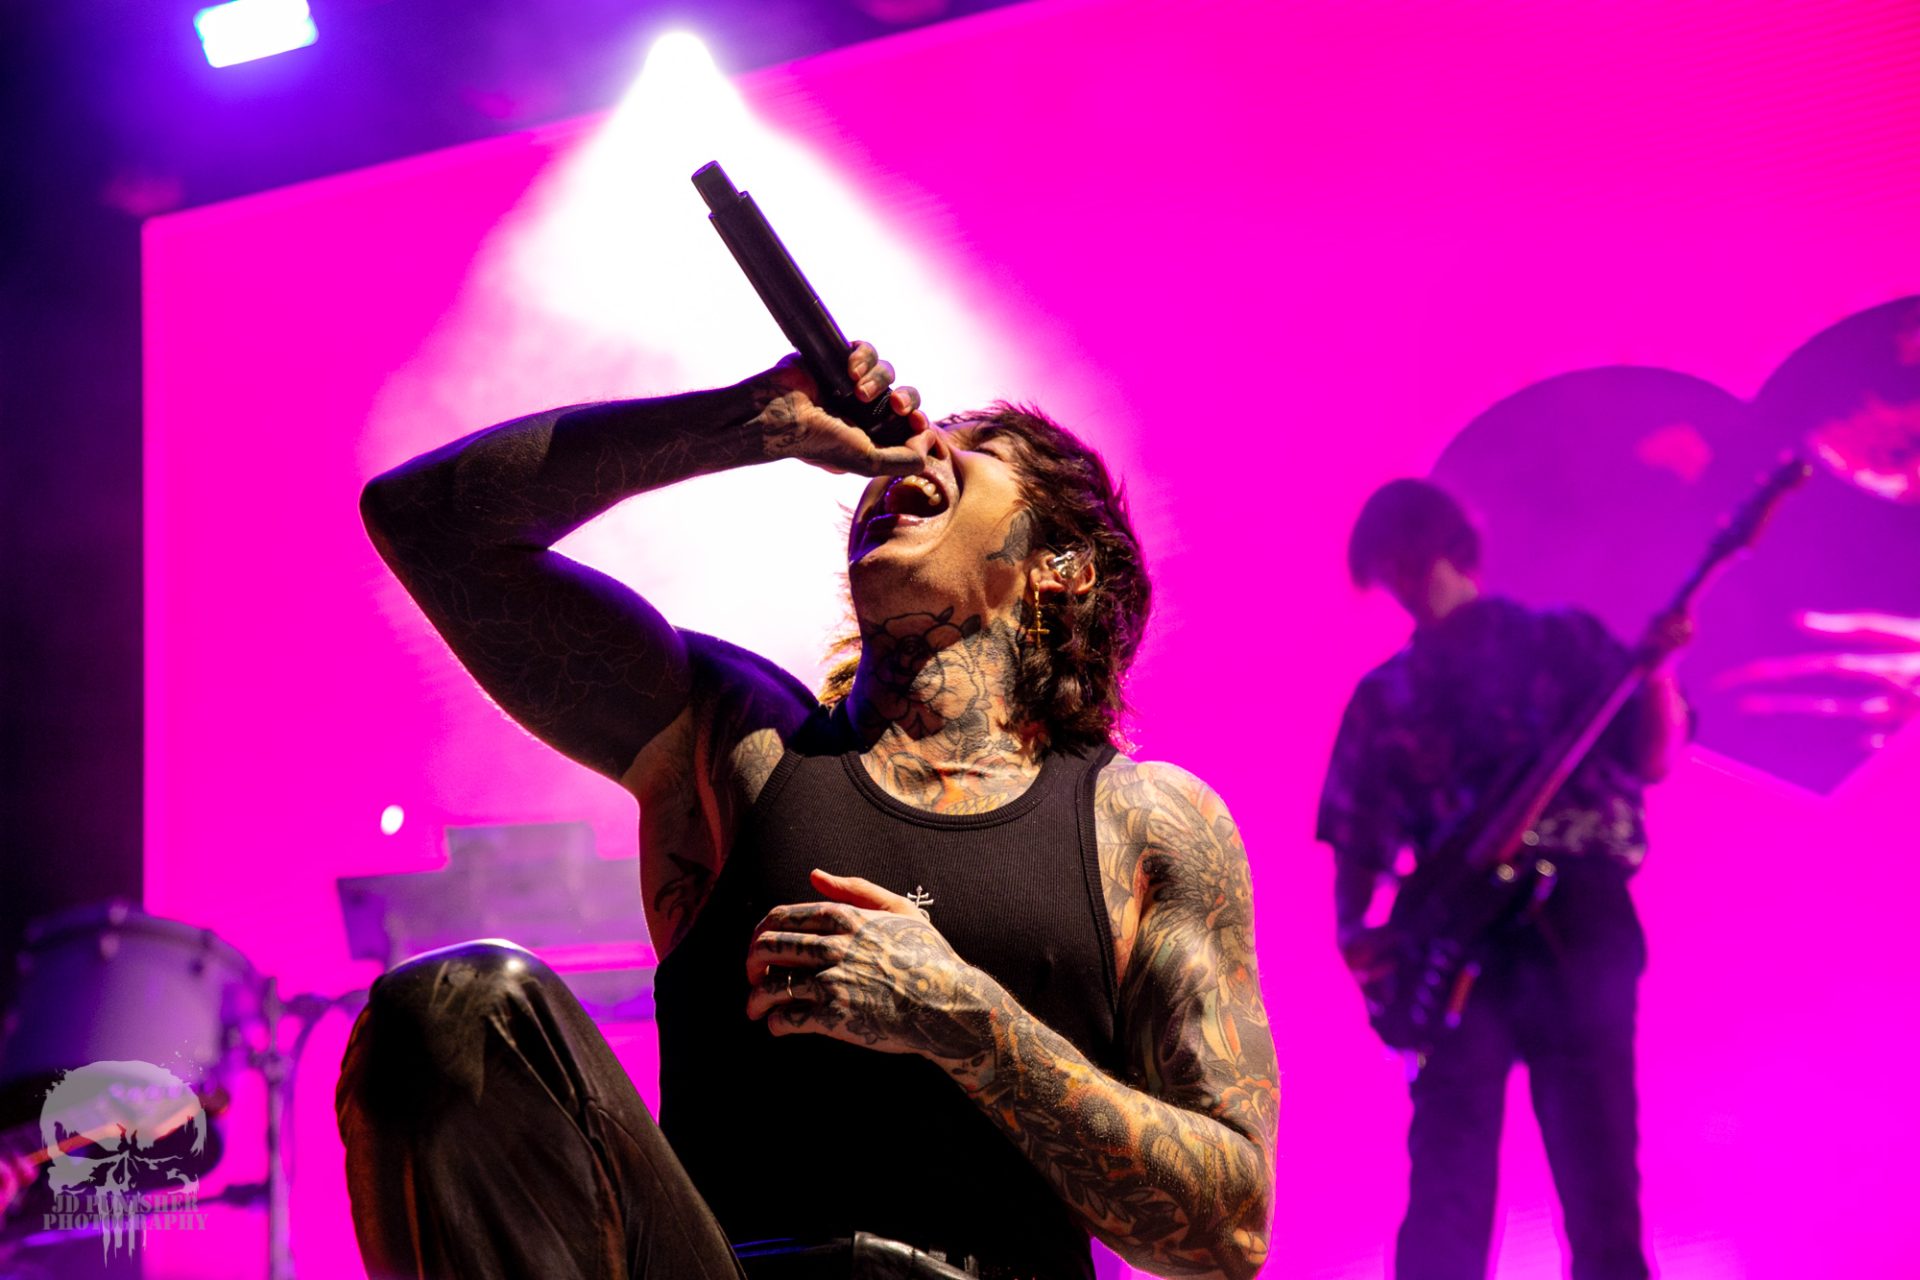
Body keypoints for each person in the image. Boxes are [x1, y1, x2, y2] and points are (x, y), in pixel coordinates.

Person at [343, 343, 1278, 1280]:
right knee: (459, 1008)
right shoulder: (734, 742)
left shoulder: (1145, 820)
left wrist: (965, 1018)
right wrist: (742, 423)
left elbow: (1230, 1231)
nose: (920, 445)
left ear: (1062, 566)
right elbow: (425, 523)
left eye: (977, 447)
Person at [1315, 479, 1690, 1280]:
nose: (1403, 583)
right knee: (1446, 1194)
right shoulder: (1386, 696)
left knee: (1602, 1192)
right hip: (1457, 947)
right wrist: (1356, 935)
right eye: (1388, 571)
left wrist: (1660, 673)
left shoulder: (1562, 642)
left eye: (1408, 559)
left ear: (1449, 545)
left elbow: (1653, 758)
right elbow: (1356, 835)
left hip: (1578, 921)